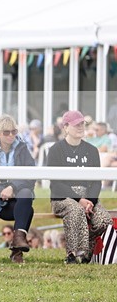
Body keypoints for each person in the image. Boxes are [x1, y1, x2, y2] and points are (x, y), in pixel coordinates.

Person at [46, 109, 111, 264]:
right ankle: (73, 255)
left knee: (104, 220)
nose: (81, 127)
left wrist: (90, 201)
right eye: (76, 125)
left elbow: (96, 181)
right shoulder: (56, 150)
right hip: (63, 197)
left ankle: (87, 253)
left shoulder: (91, 150)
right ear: (66, 127)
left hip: (88, 197)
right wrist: (79, 200)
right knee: (75, 211)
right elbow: (56, 183)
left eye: (82, 124)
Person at [0, 114, 36, 263]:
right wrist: (0, 192)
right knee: (28, 210)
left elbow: (30, 176)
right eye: (6, 132)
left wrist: (12, 188)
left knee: (26, 193)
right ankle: (17, 250)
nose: (11, 135)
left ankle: (17, 247)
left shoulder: (23, 148)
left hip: (17, 195)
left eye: (14, 132)